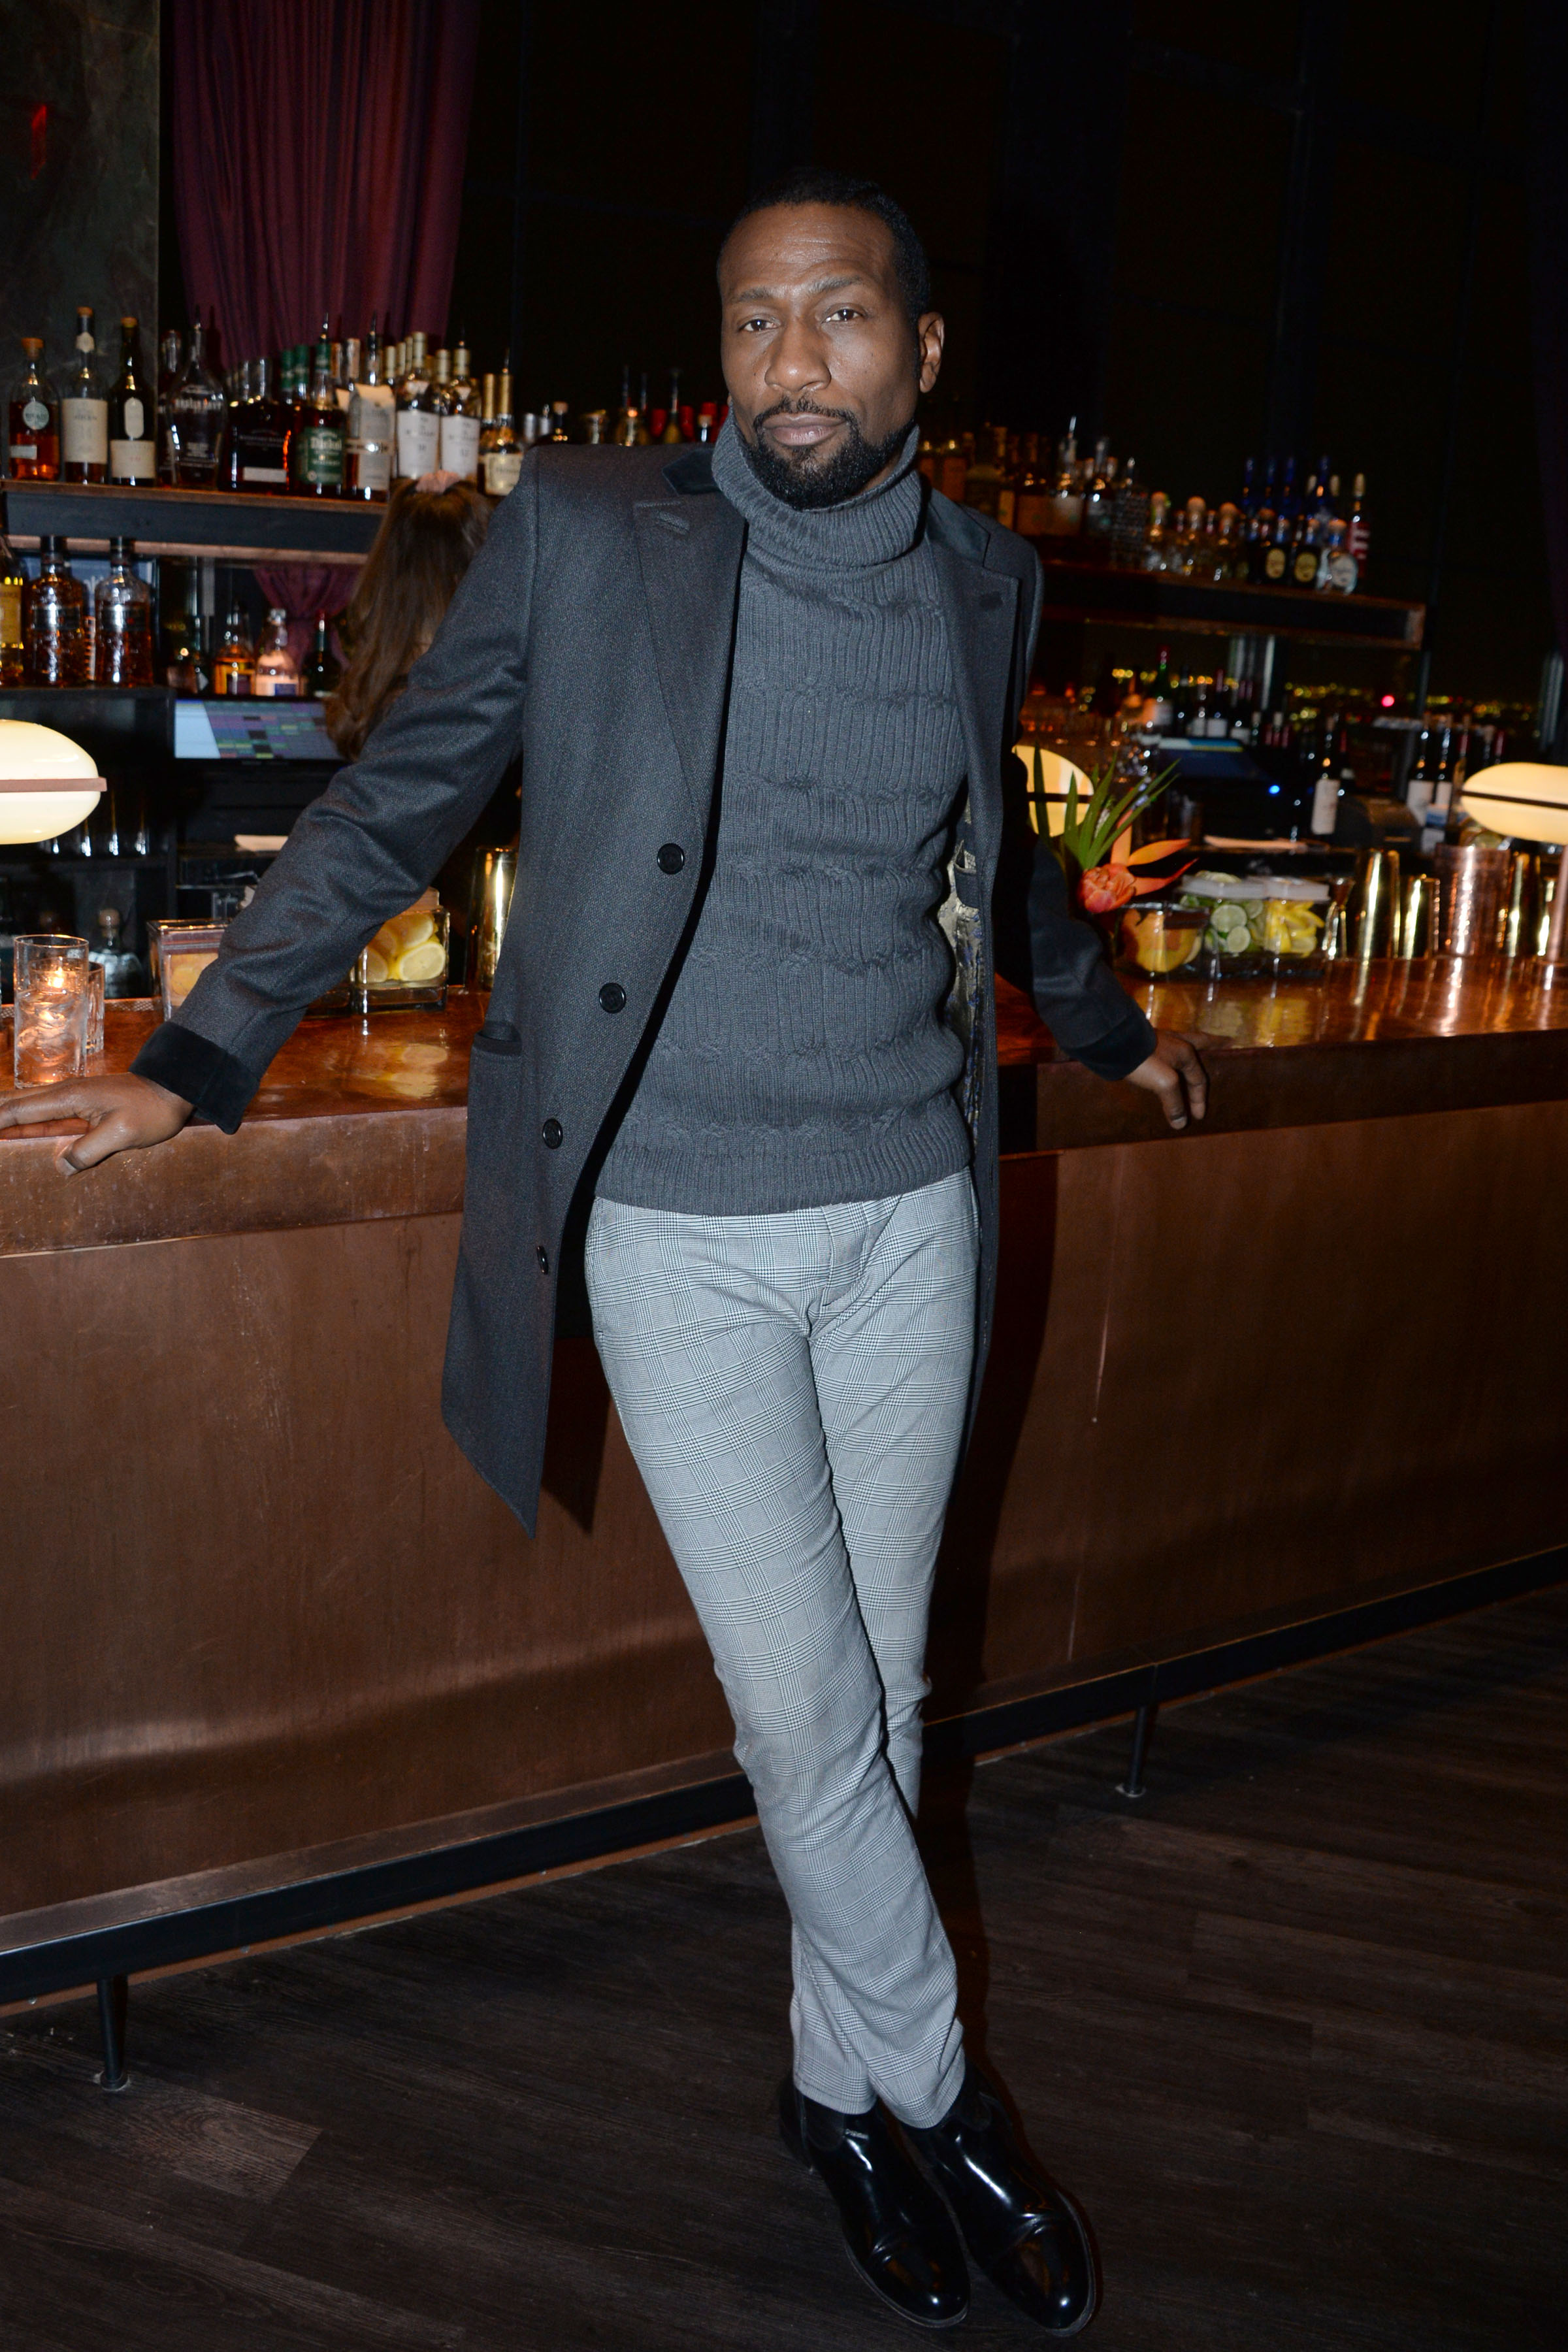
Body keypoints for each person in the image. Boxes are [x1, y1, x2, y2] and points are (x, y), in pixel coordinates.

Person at [1, 171, 1205, 2336]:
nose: (792, 361)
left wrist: (1115, 1039)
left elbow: (1007, 872)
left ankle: (832, 2102)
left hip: (917, 1210)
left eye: (841, 318)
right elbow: (398, 798)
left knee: (890, 1693)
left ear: (924, 359)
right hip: (677, 1224)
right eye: (755, 322)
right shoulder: (591, 531)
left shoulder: (986, 587)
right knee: (803, 1705)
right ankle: (945, 2098)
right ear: (719, 355)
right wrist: (200, 1049)